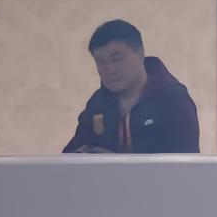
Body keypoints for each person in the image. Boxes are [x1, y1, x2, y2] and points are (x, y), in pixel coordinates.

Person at [63, 20, 200, 153]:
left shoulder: (172, 100)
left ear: (141, 53)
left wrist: (113, 163)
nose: (110, 69)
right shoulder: (98, 102)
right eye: (101, 62)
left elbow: (184, 165)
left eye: (117, 59)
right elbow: (69, 157)